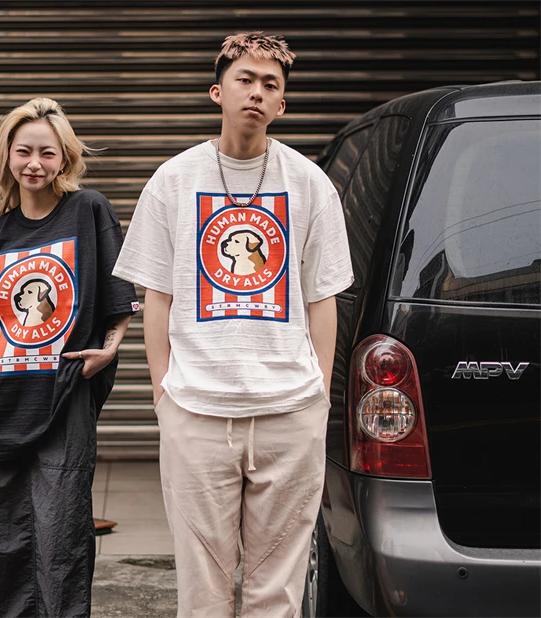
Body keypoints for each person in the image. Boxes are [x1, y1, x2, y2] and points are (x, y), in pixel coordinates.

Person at [112, 32, 354, 617]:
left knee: (279, 588)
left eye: (270, 84)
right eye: (245, 79)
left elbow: (322, 299)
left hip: (289, 410)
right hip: (196, 409)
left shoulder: (309, 184)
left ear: (282, 105)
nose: (257, 91)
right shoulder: (173, 180)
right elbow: (157, 296)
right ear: (217, 92)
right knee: (203, 589)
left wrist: (319, 397)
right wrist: (164, 394)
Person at [0, 97, 138, 618]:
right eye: (24, 151)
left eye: (47, 153)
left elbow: (119, 295)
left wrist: (109, 349)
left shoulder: (89, 210)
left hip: (64, 395)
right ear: (7, 156)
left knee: (60, 534)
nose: (34, 163)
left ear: (65, 159)